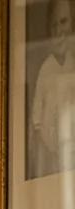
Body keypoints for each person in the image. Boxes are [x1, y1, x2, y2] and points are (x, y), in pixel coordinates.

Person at [33, 0, 75, 177]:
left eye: (64, 22)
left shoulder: (72, 65)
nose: (59, 31)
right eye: (54, 25)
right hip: (51, 164)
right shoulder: (45, 70)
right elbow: (37, 124)